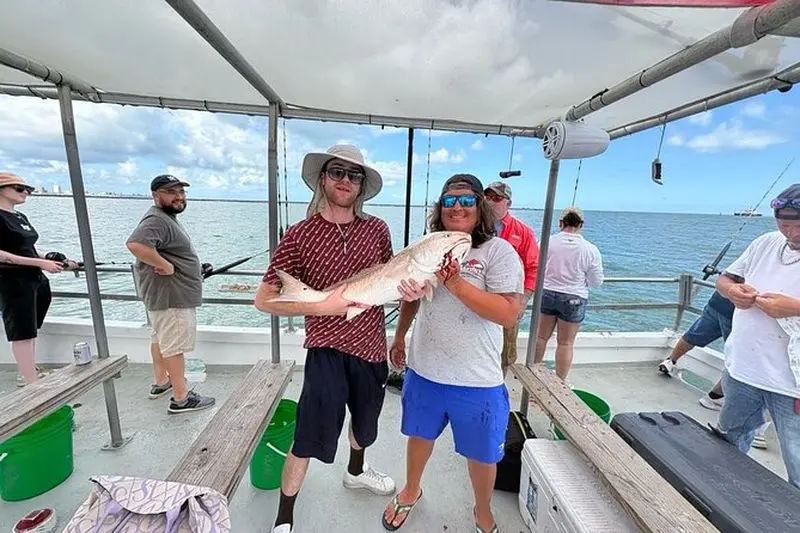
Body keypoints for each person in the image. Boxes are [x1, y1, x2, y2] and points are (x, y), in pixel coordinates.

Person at [254, 144, 428, 533]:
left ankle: (356, 472)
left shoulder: (378, 230)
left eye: (354, 175)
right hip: (326, 350)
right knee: (307, 436)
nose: (346, 180)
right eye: (337, 172)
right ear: (322, 179)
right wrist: (323, 307)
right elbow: (264, 300)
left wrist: (409, 291)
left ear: (362, 185)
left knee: (365, 426)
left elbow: (388, 283)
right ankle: (284, 515)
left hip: (371, 349)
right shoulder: (299, 235)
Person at [381, 174, 524, 533]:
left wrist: (456, 283)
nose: (457, 207)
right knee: (419, 437)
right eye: (449, 201)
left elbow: (509, 313)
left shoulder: (498, 251)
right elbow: (411, 297)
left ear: (481, 206)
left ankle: (482, 511)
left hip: (478, 380)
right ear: (439, 209)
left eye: (466, 200)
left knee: (482, 455)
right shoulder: (427, 247)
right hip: (425, 370)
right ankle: (411, 490)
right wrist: (399, 336)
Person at [714, 183, 800, 489]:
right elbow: (725, 279)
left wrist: (794, 308)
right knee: (727, 443)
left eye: (798, 226)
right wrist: (732, 291)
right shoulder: (765, 242)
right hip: (743, 371)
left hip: (793, 385)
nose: (791, 233)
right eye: (784, 225)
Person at [126, 174, 215, 414]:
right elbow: (136, 244)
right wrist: (165, 265)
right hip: (172, 297)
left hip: (165, 295)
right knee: (174, 346)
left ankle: (161, 381)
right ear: (156, 195)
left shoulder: (165, 217)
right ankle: (181, 398)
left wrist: (191, 267)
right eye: (171, 192)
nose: (179, 197)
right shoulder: (157, 219)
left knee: (161, 340)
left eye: (181, 192)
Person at [0, 172, 78, 386]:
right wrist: (40, 263)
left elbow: (28, 249)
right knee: (22, 332)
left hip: (34, 279)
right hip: (12, 282)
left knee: (31, 329)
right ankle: (30, 382)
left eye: (28, 189)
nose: (25, 192)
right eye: (19, 188)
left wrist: (52, 258)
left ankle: (30, 371)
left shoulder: (20, 217)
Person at [533, 206, 603, 379]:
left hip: (547, 293)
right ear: (581, 224)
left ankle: (533, 373)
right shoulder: (590, 249)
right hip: (574, 297)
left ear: (561, 222)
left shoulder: (546, 242)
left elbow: (536, 267)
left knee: (541, 337)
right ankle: (560, 381)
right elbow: (596, 281)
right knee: (565, 343)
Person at [484, 181, 539, 376]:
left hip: (508, 301)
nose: (490, 201)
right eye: (487, 197)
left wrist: (522, 301)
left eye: (497, 198)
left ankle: (499, 382)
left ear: (508, 203)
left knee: (505, 353)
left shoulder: (523, 232)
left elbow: (534, 268)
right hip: (478, 297)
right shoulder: (474, 227)